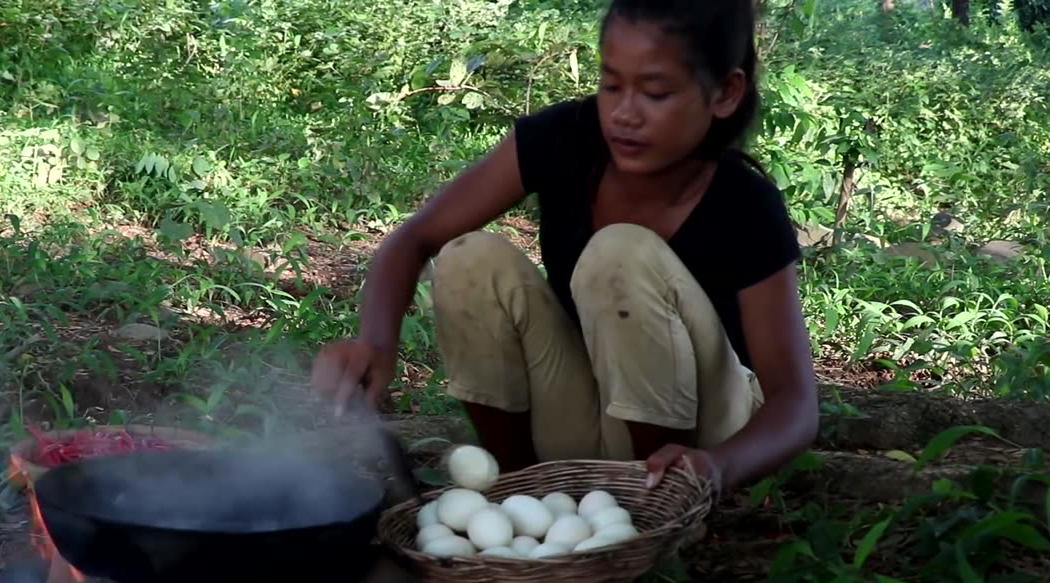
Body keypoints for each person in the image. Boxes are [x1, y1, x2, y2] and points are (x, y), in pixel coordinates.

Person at [311, 0, 818, 497]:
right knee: (470, 259)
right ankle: (519, 491)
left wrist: (718, 466)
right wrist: (375, 343)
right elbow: (415, 237)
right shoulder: (564, 139)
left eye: (655, 92)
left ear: (725, 93)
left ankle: (657, 504)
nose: (624, 113)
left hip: (706, 435)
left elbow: (795, 401)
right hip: (590, 413)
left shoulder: (745, 204)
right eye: (611, 84)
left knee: (619, 253)